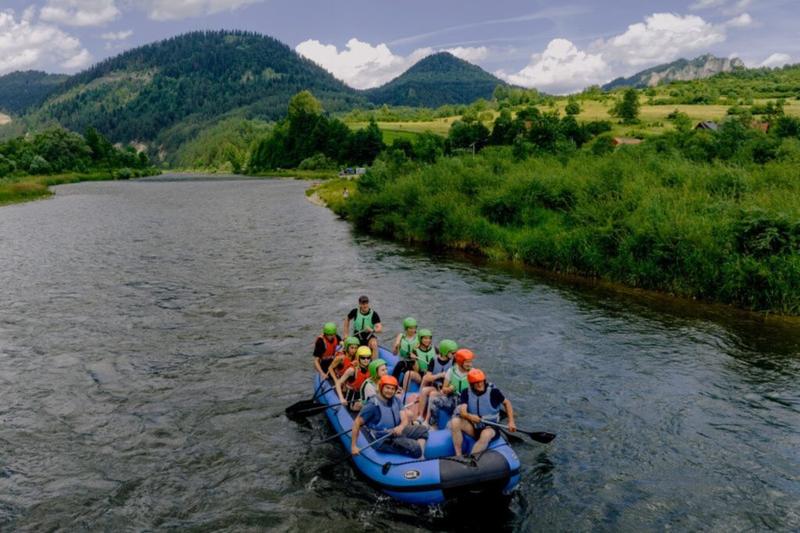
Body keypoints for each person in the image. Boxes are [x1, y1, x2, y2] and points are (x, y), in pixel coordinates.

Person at [351, 375, 429, 459]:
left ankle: (420, 456)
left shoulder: (396, 400)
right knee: (415, 447)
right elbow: (357, 422)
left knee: (423, 430)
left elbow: (404, 418)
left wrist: (401, 427)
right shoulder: (372, 405)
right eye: (387, 388)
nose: (390, 391)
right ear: (381, 387)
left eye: (392, 389)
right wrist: (353, 446)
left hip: (396, 431)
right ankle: (419, 455)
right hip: (382, 439)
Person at [451, 368, 516, 458]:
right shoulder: (466, 392)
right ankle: (458, 455)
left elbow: (507, 403)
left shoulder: (493, 392)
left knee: (485, 434)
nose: (480, 384)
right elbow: (463, 412)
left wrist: (511, 421)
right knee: (455, 422)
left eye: (481, 381)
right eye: (476, 382)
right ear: (471, 384)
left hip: (490, 427)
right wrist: (470, 417)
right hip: (474, 427)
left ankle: (470, 460)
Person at [415, 339, 457, 424]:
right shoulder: (433, 360)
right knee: (424, 391)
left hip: (445, 390)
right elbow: (427, 378)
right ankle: (420, 416)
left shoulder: (453, 362)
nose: (454, 355)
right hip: (436, 387)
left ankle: (427, 420)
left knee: (432, 394)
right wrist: (440, 375)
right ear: (445, 351)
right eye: (452, 353)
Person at [428, 348, 473, 427]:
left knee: (458, 410)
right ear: (460, 362)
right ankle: (433, 424)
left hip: (466, 402)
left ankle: (452, 425)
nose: (470, 364)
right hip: (452, 398)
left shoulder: (473, 373)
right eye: (467, 362)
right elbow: (444, 389)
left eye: (470, 362)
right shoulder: (451, 371)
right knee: (434, 401)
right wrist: (449, 389)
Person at [335, 346, 373, 410]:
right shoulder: (352, 370)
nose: (366, 360)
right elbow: (338, 383)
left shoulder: (371, 368)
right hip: (352, 398)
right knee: (368, 406)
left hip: (363, 394)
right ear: (358, 358)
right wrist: (341, 398)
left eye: (368, 357)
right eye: (363, 358)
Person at [400, 328, 436, 393]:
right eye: (425, 338)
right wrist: (414, 360)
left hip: (432, 375)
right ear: (420, 339)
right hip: (421, 375)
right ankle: (405, 393)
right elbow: (416, 370)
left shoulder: (435, 349)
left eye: (429, 338)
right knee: (408, 373)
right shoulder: (415, 351)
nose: (427, 340)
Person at [391, 317, 419, 382]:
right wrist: (396, 346)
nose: (413, 330)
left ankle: (401, 386)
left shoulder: (418, 337)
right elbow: (394, 353)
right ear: (406, 329)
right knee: (399, 365)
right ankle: (393, 382)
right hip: (404, 360)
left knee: (405, 371)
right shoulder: (401, 336)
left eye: (414, 328)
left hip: (415, 362)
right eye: (410, 328)